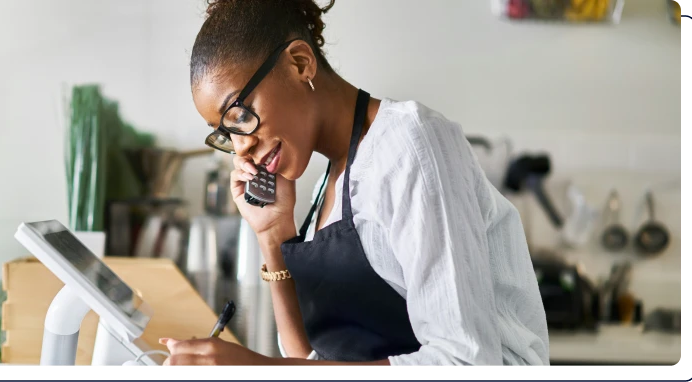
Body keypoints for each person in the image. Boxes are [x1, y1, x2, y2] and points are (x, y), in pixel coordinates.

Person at [160, 0, 550, 367]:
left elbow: (465, 359)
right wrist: (273, 233)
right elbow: (312, 360)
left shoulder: (412, 144)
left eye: (240, 115)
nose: (241, 148)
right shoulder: (324, 189)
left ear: (300, 63)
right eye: (225, 134)